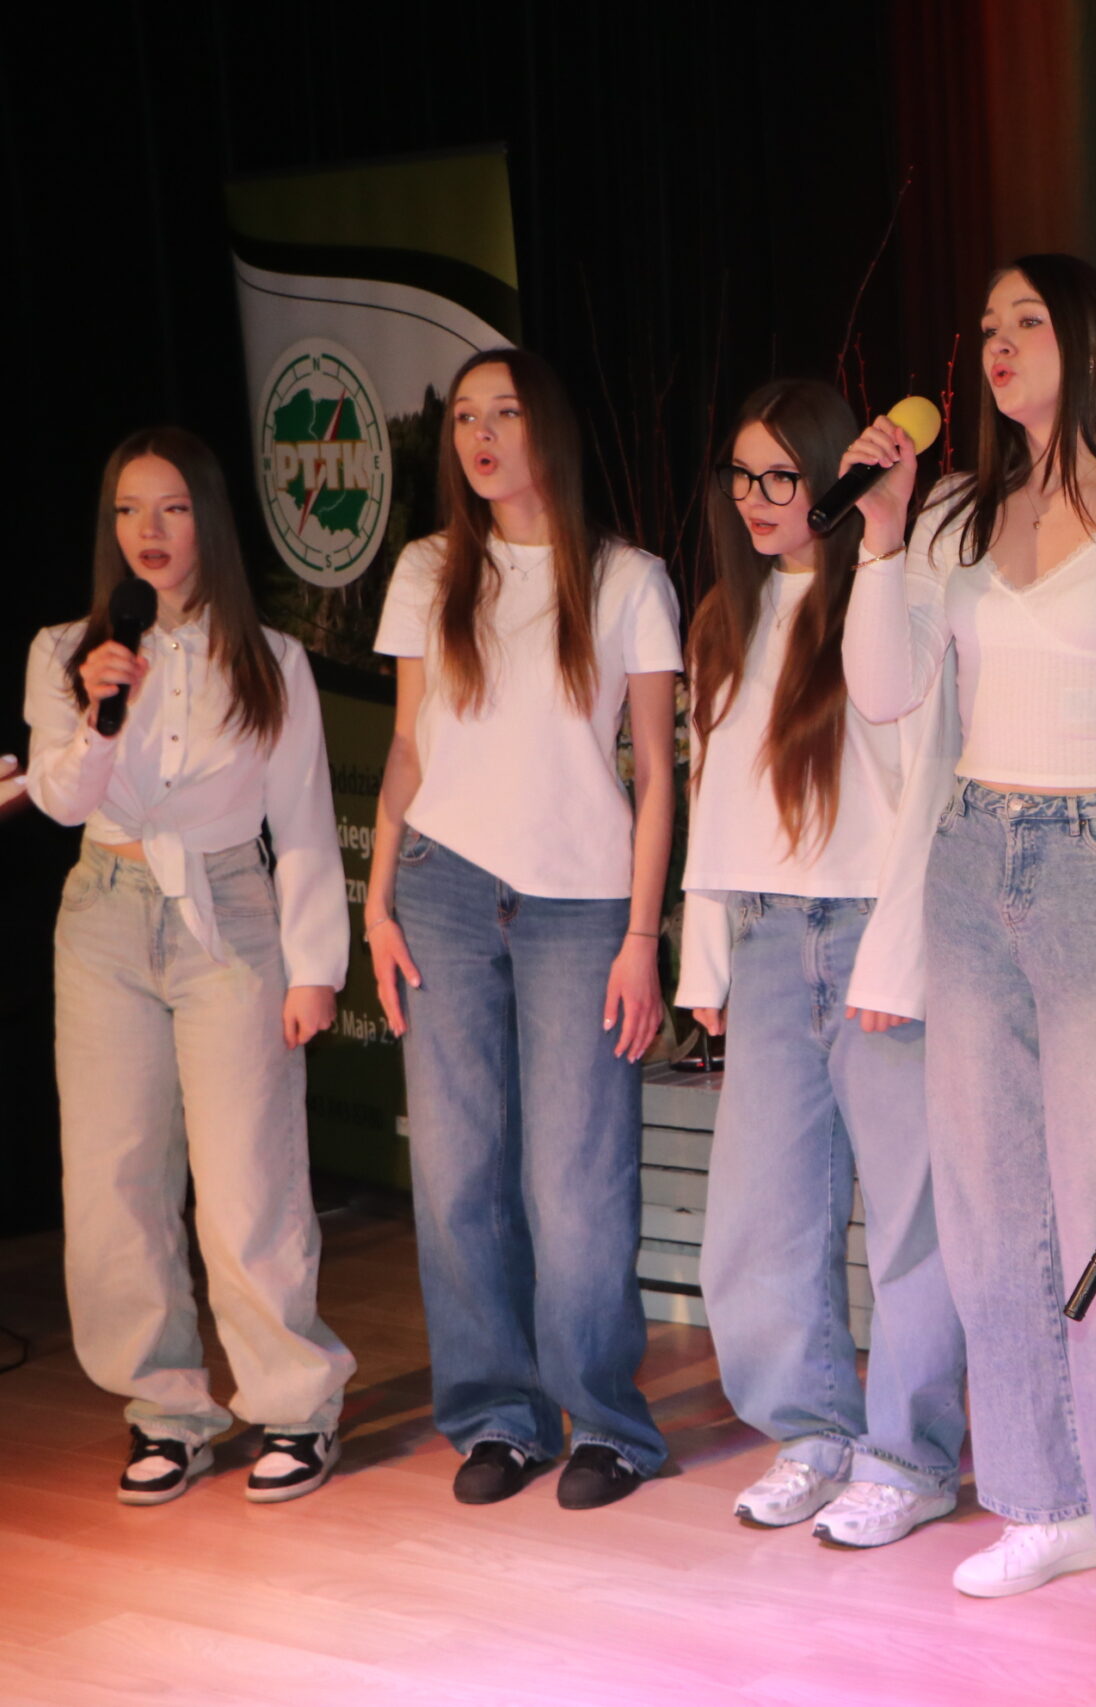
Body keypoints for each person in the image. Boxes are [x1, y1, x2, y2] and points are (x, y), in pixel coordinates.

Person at [839, 254, 1096, 1624]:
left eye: (1027, 320)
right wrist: (882, 535)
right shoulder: (954, 512)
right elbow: (885, 690)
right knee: (989, 1212)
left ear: (1088, 340)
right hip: (975, 857)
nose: (1000, 342)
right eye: (986, 325)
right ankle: (1049, 1497)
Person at [365, 346, 681, 1511]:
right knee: (457, 1173)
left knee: (577, 1179)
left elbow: (657, 773)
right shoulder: (427, 569)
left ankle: (608, 1427)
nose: (482, 436)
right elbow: (408, 746)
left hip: (580, 905)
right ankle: (499, 1416)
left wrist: (642, 936)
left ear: (548, 425)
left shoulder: (627, 579)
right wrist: (376, 900)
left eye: (504, 413)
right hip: (441, 887)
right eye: (464, 418)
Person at [29, 427, 355, 1505]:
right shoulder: (65, 650)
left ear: (207, 519)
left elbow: (303, 824)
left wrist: (314, 969)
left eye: (171, 508)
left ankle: (295, 1406)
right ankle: (166, 1411)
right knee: (115, 1180)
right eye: (128, 510)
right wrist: (98, 712)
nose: (149, 531)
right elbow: (62, 800)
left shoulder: (273, 659)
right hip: (104, 913)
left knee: (248, 1179)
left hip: (231, 915)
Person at [676, 378, 968, 1547]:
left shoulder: (896, 597)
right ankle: (813, 1434)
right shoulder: (724, 614)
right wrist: (704, 961)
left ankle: (908, 1457)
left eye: (781, 477)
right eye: (741, 477)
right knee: (762, 1219)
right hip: (764, 937)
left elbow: (923, 788)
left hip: (869, 933)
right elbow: (712, 796)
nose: (756, 498)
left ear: (832, 479)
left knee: (909, 1220)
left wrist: (895, 961)